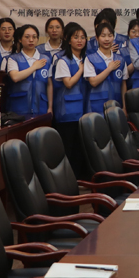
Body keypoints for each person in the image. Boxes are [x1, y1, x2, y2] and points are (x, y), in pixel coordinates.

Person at [50, 21, 89, 178]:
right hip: (67, 111)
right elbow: (68, 83)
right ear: (68, 40)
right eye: (76, 37)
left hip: (82, 110)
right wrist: (81, 70)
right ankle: (66, 181)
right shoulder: (63, 60)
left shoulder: (86, 58)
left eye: (82, 37)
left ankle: (79, 180)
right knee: (68, 148)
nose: (80, 40)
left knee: (80, 149)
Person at [6, 24, 51, 117]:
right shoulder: (14, 58)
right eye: (27, 37)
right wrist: (34, 67)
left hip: (41, 106)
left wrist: (50, 107)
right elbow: (15, 77)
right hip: (19, 107)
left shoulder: (46, 59)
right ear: (20, 39)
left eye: (34, 37)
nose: (31, 40)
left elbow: (49, 84)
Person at [85, 21, 128, 113]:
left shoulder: (120, 60)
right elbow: (93, 82)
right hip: (97, 106)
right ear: (97, 38)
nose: (107, 39)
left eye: (110, 35)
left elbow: (123, 84)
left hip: (116, 105)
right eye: (103, 36)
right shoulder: (90, 59)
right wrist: (109, 69)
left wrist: (125, 107)